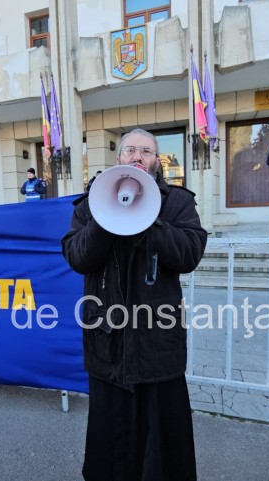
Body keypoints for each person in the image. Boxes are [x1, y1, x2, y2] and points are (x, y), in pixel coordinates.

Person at [62, 128, 207, 481]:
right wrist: (105, 217)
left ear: (157, 160)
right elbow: (77, 257)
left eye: (146, 151)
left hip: (157, 341)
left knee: (161, 435)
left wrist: (149, 223)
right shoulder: (90, 204)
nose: (138, 156)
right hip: (107, 340)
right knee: (110, 435)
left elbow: (189, 254)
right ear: (119, 159)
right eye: (130, 150)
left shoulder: (177, 203)